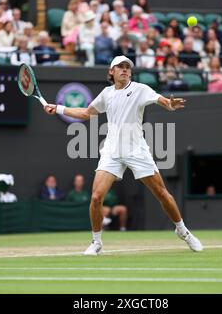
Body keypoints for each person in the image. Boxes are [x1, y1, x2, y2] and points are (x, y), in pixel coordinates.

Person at [44, 55, 203, 255]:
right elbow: (86, 113)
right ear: (111, 71)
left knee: (162, 194)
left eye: (128, 67)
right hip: (112, 151)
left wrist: (169, 104)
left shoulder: (140, 89)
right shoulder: (106, 93)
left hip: (137, 149)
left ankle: (183, 232)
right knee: (96, 197)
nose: (125, 69)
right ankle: (96, 242)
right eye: (120, 66)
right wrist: (58, 107)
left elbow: (162, 101)